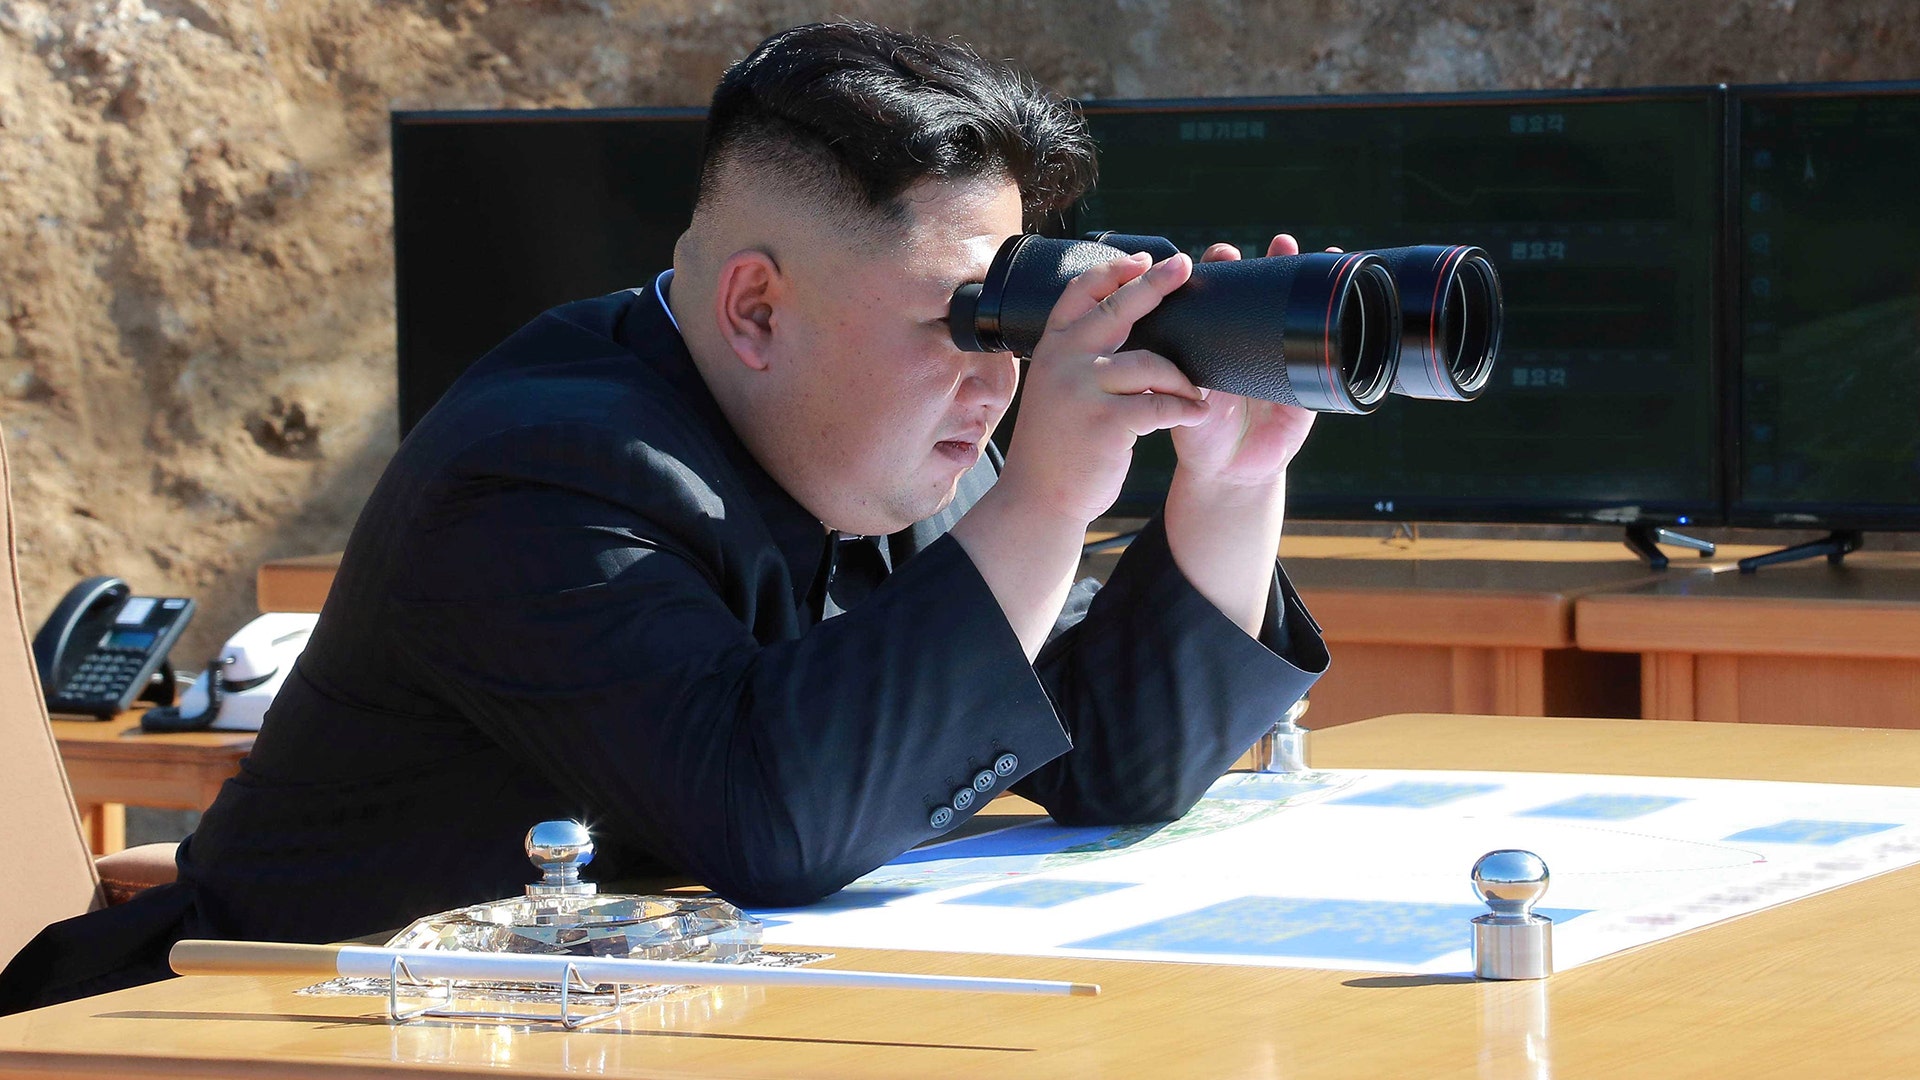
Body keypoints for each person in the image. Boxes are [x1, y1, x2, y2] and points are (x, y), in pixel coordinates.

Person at [0, 19, 1327, 1012]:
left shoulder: (882, 445)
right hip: (243, 1034)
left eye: (1010, 322)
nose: (997, 378)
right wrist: (1052, 491)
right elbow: (772, 819)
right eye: (960, 320)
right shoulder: (539, 475)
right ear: (757, 308)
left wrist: (1230, 481)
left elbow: (1108, 759)